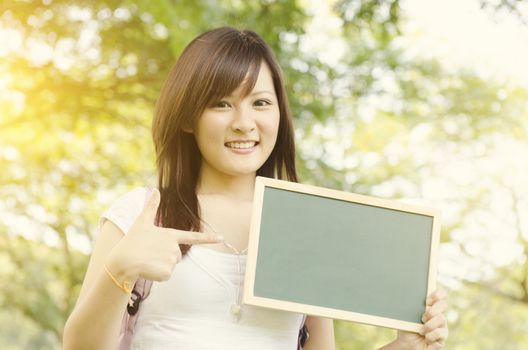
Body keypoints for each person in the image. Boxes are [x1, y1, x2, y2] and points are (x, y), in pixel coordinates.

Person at [62, 26, 448, 350]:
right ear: (187, 118)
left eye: (261, 102)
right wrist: (120, 269)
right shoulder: (141, 213)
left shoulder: (307, 223)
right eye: (221, 104)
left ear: (279, 113)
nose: (245, 123)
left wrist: (406, 345)